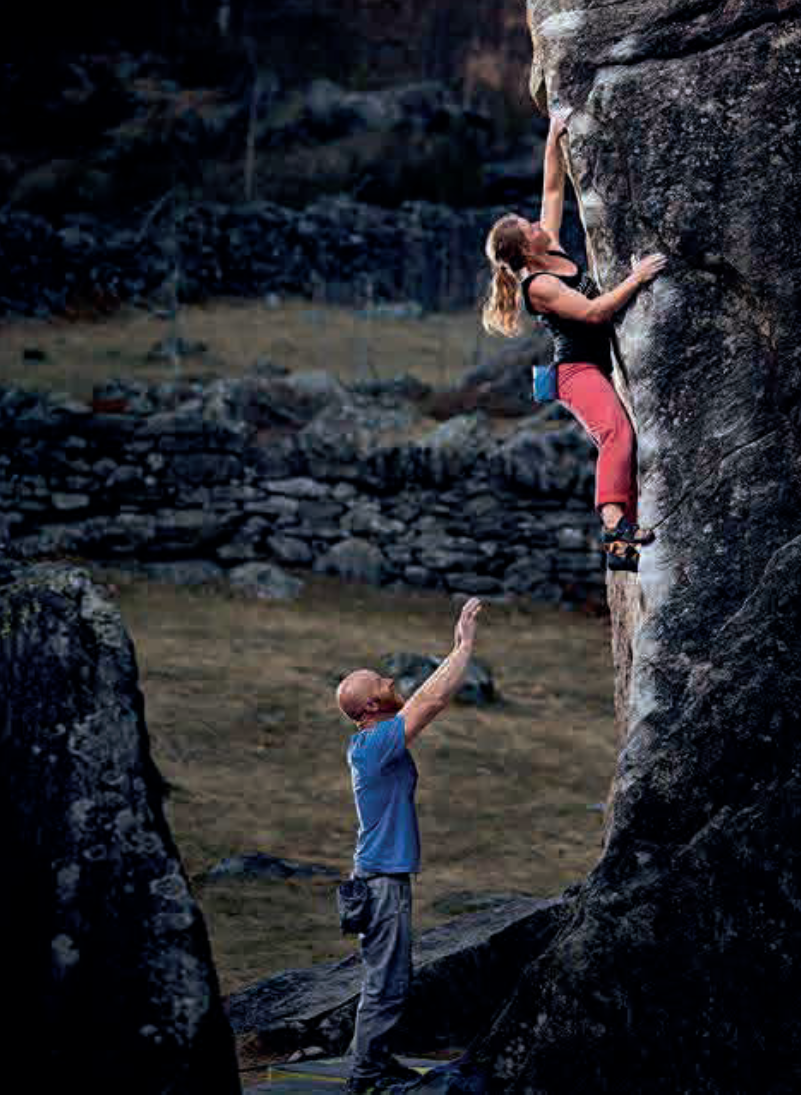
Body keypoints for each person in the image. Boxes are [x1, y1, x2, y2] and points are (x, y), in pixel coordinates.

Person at [482, 112, 666, 572]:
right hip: (575, 374)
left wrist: (552, 137)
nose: (536, 222)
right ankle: (612, 525)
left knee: (627, 444)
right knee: (617, 435)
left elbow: (551, 190)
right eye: (528, 226)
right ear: (526, 249)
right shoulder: (538, 284)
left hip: (594, 368)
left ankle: (621, 552)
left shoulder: (551, 248)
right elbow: (594, 312)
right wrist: (637, 278)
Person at [335, 596, 483, 1094]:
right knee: (387, 984)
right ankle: (366, 1076)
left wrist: (451, 653)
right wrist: (464, 647)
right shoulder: (376, 745)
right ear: (371, 706)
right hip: (380, 885)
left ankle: (378, 1062)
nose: (391, 682)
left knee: (389, 979)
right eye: (382, 683)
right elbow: (431, 702)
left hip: (378, 879)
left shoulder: (373, 740)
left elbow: (420, 694)